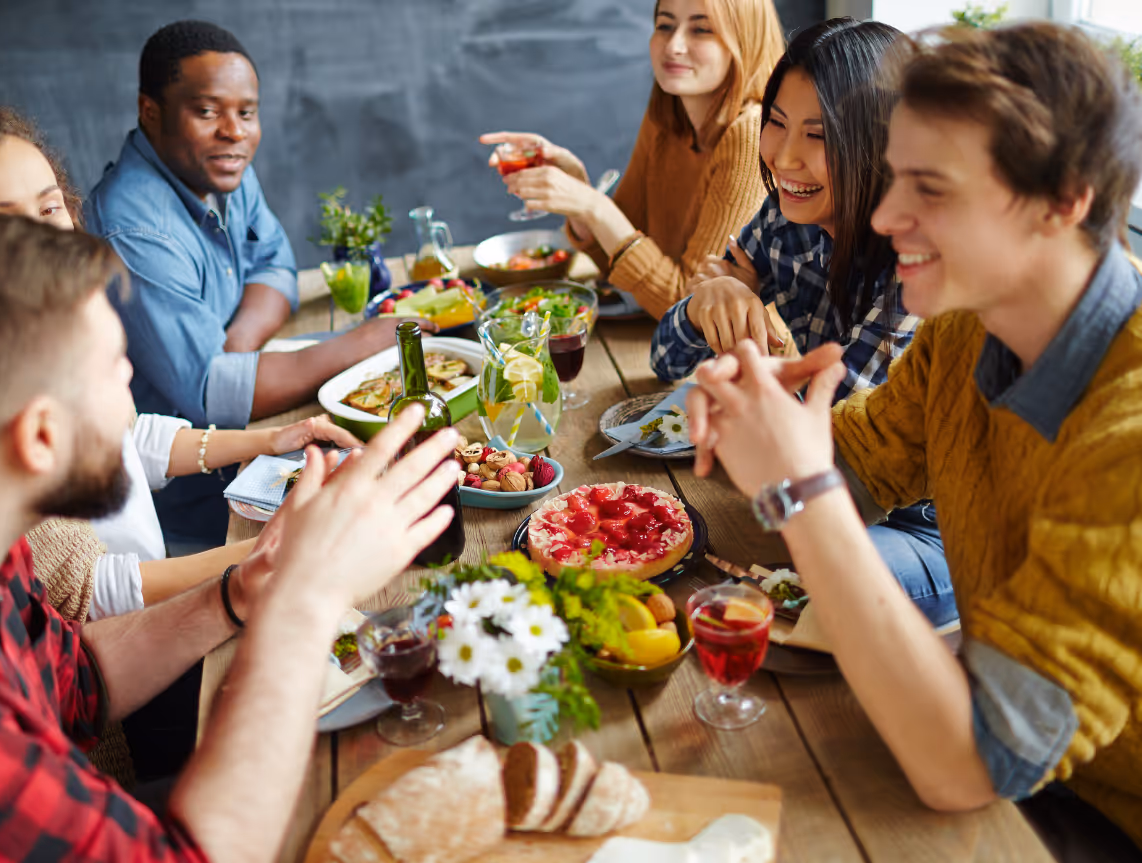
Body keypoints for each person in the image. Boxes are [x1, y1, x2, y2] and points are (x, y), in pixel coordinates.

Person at [0, 207, 462, 861]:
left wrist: (242, 592)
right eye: (116, 367)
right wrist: (303, 605)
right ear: (41, 437)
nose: (132, 386)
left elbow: (76, 681)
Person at [684, 23, 1142, 859]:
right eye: (895, 177)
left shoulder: (1129, 435)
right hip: (1018, 764)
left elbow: (966, 767)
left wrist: (798, 487)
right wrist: (762, 425)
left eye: (929, 188)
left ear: (1063, 199)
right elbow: (851, 466)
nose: (888, 215)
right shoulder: (967, 327)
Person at [0, 101, 361, 621]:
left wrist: (268, 440)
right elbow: (92, 592)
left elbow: (128, 437)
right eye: (5, 224)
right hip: (123, 645)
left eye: (50, 208)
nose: (47, 237)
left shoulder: (60, 332)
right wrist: (278, 551)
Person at [651, 18, 955, 627]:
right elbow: (668, 358)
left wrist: (744, 350)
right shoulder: (787, 216)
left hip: (928, 528)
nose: (784, 157)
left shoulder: (919, 263)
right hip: (811, 495)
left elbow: (833, 464)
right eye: (776, 123)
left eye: (818, 136)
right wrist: (712, 297)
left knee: (782, 584)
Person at [86, 20, 428, 551]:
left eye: (246, 112)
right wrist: (358, 342)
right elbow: (211, 396)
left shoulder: (218, 167)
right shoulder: (134, 229)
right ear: (149, 111)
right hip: (202, 503)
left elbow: (276, 265)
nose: (235, 131)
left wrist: (237, 344)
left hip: (258, 432)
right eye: (207, 111)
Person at [480, 0, 783, 319]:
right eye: (665, 25)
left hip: (759, 361)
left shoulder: (752, 135)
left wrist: (595, 207)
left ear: (746, 40)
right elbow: (623, 267)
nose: (674, 45)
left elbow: (691, 311)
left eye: (701, 29)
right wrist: (580, 200)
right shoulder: (666, 118)